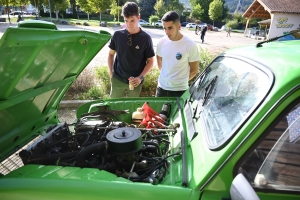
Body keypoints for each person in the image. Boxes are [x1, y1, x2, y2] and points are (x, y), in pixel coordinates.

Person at [107, 2, 155, 98]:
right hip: (117, 79)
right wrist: (111, 73)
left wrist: (140, 77)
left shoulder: (146, 38)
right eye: (126, 20)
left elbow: (150, 61)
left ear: (138, 17)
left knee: (132, 109)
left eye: (132, 20)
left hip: (135, 82)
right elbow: (111, 54)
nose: (129, 24)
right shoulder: (117, 35)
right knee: (114, 107)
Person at [155, 11, 200, 97]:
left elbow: (194, 70)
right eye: (164, 28)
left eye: (170, 28)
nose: (167, 32)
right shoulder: (161, 42)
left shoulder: (190, 45)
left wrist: (179, 82)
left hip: (180, 91)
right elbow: (160, 65)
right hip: (161, 89)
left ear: (179, 26)